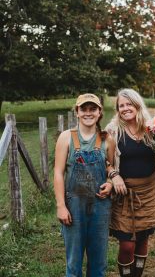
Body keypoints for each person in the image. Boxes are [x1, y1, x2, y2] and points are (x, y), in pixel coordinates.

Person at [105, 89, 155, 277]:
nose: (125, 108)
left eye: (129, 104)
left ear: (137, 105)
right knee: (127, 245)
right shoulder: (113, 131)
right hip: (124, 195)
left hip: (148, 193)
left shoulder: (152, 129)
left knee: (143, 239)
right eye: (121, 105)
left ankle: (137, 274)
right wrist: (114, 174)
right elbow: (103, 160)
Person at [53, 93, 117, 277]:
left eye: (93, 109)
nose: (88, 113)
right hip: (74, 207)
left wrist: (111, 183)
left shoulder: (107, 140)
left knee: (99, 262)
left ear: (99, 113)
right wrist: (61, 205)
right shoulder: (66, 138)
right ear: (77, 112)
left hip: (100, 206)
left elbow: (110, 168)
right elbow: (58, 172)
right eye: (84, 109)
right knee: (73, 261)